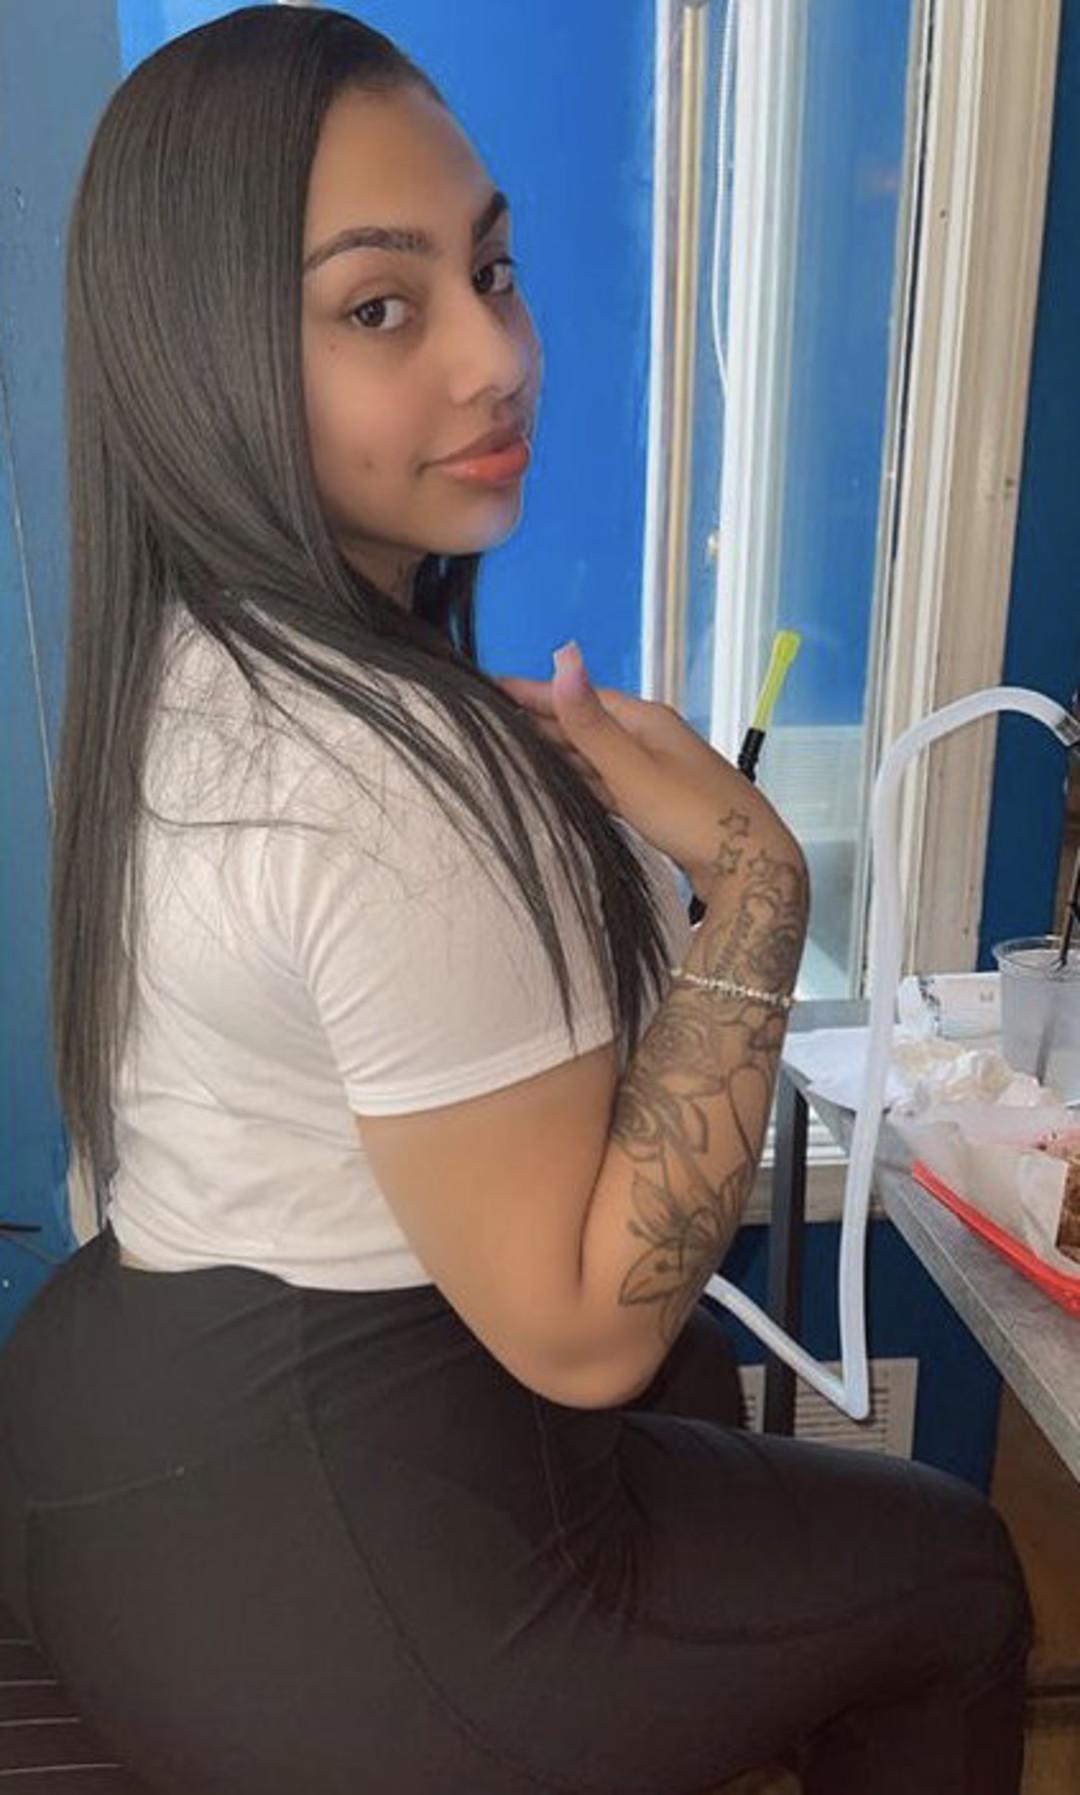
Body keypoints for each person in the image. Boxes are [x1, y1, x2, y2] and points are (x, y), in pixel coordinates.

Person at [0, 8, 1033, 1793]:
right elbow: (583, 1330)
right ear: (202, 358)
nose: (499, 357)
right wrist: (754, 876)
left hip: (135, 1455)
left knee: (702, 1393)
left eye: (491, 270)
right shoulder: (386, 783)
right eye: (379, 308)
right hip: (349, 1584)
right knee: (954, 1571)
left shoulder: (190, 667)